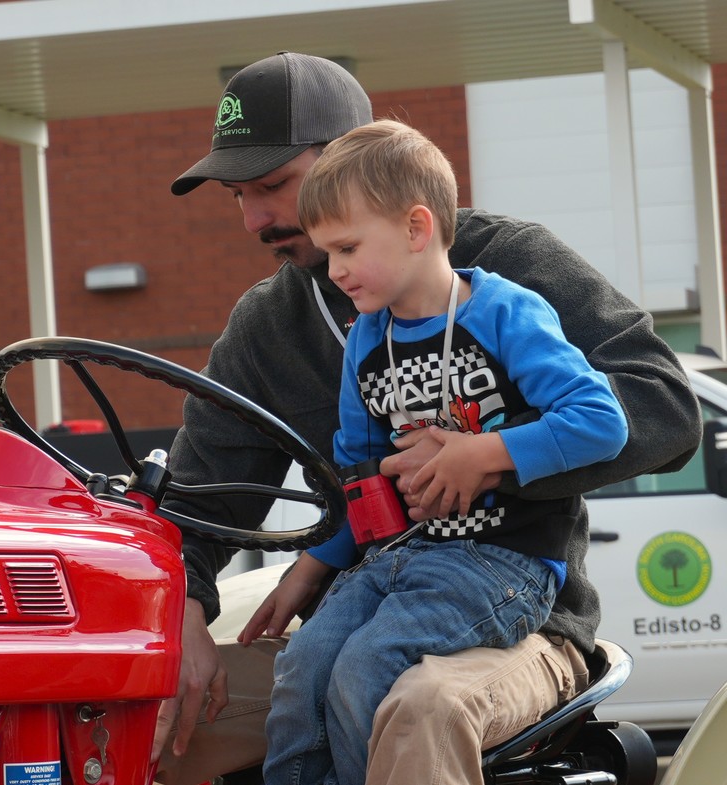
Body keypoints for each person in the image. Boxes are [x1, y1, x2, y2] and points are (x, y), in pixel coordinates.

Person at [152, 52, 701, 785]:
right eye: (237, 195)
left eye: (273, 186)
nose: (255, 218)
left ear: (353, 155)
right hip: (373, 602)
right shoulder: (268, 324)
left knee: (418, 703)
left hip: (521, 617)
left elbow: (662, 403)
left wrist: (492, 455)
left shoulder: (505, 269)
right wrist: (182, 604)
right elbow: (200, 499)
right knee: (136, 708)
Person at [255, 118, 628, 785]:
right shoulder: (368, 341)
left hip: (502, 563)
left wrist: (484, 452)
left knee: (369, 664)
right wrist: (308, 570)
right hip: (406, 558)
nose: (333, 270)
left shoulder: (506, 313)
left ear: (416, 228)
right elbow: (360, 483)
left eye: (346, 248)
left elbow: (602, 421)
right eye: (326, 252)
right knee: (304, 663)